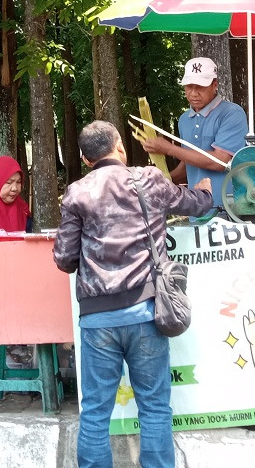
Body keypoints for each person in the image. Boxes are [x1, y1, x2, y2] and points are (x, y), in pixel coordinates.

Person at [54, 121, 214, 468]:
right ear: (121, 147)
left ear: (84, 158)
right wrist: (204, 192)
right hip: (146, 312)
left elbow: (65, 260)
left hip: (97, 320)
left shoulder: (76, 192)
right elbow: (192, 205)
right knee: (154, 406)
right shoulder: (148, 180)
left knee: (95, 413)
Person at [138, 57, 248, 201]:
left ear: (215, 85)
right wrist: (165, 180)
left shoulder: (232, 113)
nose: (193, 93)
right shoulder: (184, 119)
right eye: (189, 86)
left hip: (228, 207)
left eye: (200, 86)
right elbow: (188, 162)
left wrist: (168, 149)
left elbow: (220, 162)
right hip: (196, 207)